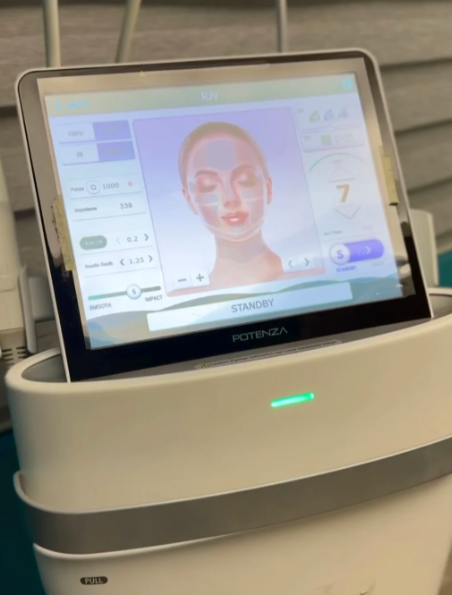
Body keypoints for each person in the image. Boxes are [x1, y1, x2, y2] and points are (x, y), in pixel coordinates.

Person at [178, 121, 283, 290]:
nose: (230, 198)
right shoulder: (182, 298)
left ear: (269, 189)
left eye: (245, 180)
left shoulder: (313, 276)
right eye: (208, 186)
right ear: (189, 200)